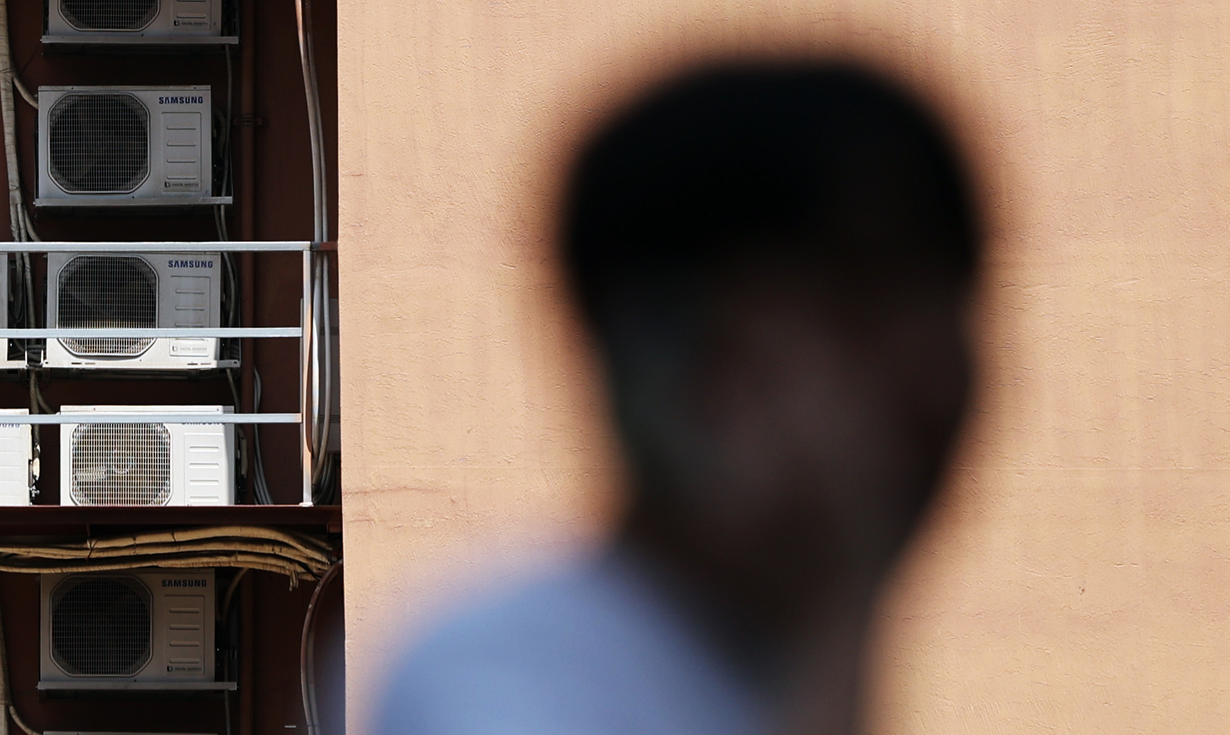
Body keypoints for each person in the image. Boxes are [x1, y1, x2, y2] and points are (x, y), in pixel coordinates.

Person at [372, 58, 983, 735]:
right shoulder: (493, 670)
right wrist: (838, 605)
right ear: (674, 364)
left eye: (949, 294)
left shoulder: (769, 663)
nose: (930, 364)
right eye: (862, 303)